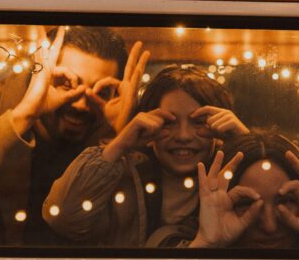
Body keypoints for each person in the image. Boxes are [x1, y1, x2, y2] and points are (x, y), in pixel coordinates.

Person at [43, 64, 250, 247]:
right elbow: (63, 218)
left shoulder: (234, 184)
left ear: (219, 131)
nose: (183, 136)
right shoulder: (122, 182)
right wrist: (120, 144)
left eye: (198, 122)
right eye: (169, 122)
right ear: (148, 127)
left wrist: (247, 145)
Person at [0, 24, 147, 244]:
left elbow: (125, 234)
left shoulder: (115, 142)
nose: (80, 104)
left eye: (101, 91)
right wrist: (26, 114)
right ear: (39, 78)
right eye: (66, 84)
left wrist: (119, 137)